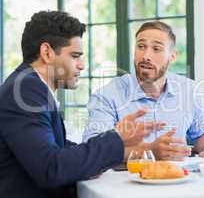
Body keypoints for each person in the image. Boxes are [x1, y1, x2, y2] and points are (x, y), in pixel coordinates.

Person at [0, 11, 164, 198]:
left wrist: (134, 150)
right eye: (75, 56)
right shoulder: (26, 90)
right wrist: (117, 137)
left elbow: (59, 148)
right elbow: (51, 168)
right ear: (47, 52)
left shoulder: (29, 85)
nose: (82, 65)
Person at [83, 21, 204, 161]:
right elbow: (92, 151)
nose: (146, 56)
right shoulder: (106, 95)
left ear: (172, 57)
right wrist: (148, 152)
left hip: (178, 178)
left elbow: (201, 134)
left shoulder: (189, 90)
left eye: (156, 49)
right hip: (125, 179)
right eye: (141, 46)